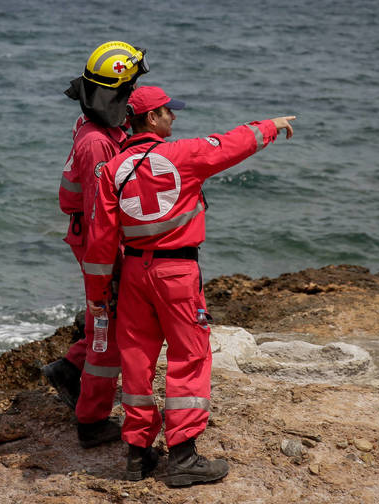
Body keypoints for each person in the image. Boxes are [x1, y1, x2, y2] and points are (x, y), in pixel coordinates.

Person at [83, 85, 295, 485]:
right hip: (177, 274)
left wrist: (97, 295)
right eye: (168, 112)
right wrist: (270, 125)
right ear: (151, 118)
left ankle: (137, 455)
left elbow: (99, 240)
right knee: (190, 356)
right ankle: (182, 457)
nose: (174, 117)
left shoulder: (112, 169)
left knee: (136, 361)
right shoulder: (183, 155)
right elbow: (231, 145)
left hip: (132, 276)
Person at [41, 41, 149, 449]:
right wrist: (112, 266)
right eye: (130, 87)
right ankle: (92, 420)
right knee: (109, 328)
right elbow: (101, 212)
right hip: (95, 241)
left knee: (106, 317)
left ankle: (69, 370)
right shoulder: (98, 144)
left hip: (88, 233)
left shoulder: (98, 126)